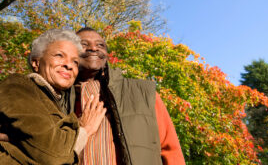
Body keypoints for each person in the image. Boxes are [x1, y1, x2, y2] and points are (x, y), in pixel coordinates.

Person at [74, 27, 186, 165]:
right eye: (84, 44)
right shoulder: (58, 97)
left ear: (107, 55)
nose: (93, 48)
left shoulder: (142, 93)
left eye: (100, 45)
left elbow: (171, 151)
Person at [0, 29, 106, 165]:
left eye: (75, 62)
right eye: (59, 55)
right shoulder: (17, 86)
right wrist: (85, 129)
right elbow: (54, 155)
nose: (69, 65)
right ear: (36, 62)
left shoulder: (58, 101)